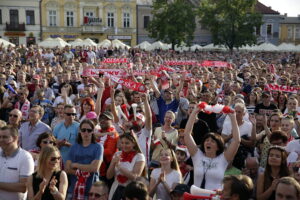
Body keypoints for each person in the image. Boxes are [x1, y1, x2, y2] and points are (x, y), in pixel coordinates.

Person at [184, 105, 241, 190]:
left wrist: (233, 118)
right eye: (207, 140)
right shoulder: (197, 155)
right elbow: (187, 134)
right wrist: (194, 113)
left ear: (218, 147)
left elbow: (236, 141)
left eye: (212, 141)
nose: (208, 142)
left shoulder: (223, 159)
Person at [65, 119, 103, 199]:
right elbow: (67, 169)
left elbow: (95, 168)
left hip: (92, 192)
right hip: (73, 190)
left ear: (93, 131)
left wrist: (75, 165)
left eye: (89, 130)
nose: (86, 133)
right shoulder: (73, 147)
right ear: (79, 130)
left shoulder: (98, 147)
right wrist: (87, 168)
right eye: (83, 130)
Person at [107, 133, 146, 200]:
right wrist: (113, 163)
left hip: (130, 190)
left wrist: (119, 167)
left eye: (127, 143)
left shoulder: (139, 156)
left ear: (133, 144)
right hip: (116, 187)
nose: (124, 145)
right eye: (122, 143)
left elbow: (135, 177)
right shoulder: (117, 154)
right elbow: (109, 176)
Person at [0, 126, 34, 200]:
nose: (1, 140)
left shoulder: (25, 157)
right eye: (0, 137)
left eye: (5, 137)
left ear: (15, 138)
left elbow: (24, 187)